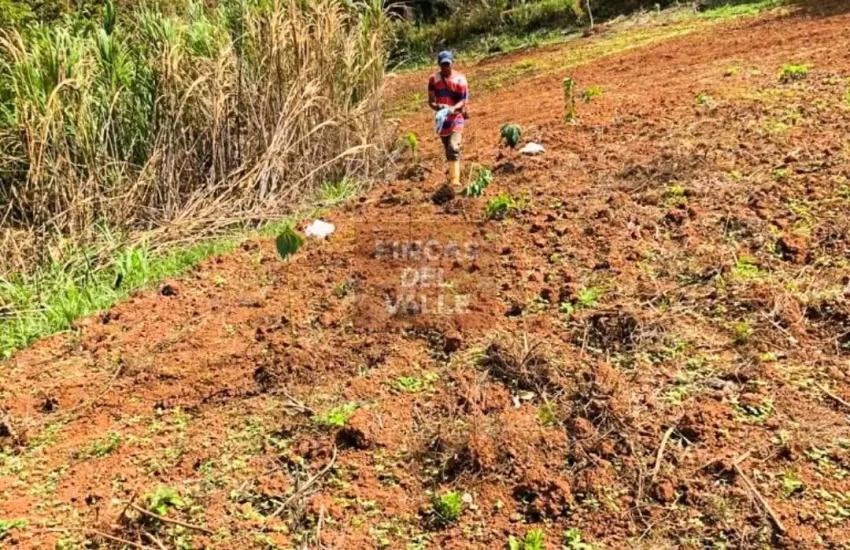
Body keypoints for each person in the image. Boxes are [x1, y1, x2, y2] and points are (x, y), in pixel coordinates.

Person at [428, 50, 468, 188]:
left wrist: (452, 108)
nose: (445, 67)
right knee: (448, 149)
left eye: (447, 64)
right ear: (439, 65)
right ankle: (454, 174)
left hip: (456, 117)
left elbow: (463, 100)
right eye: (443, 65)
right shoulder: (433, 79)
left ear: (452, 63)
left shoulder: (460, 79)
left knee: (453, 146)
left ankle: (455, 180)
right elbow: (431, 101)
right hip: (442, 120)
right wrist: (438, 106)